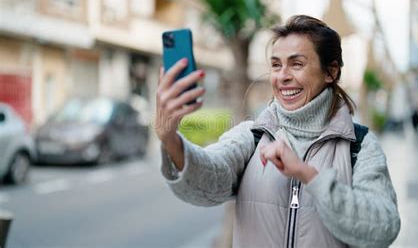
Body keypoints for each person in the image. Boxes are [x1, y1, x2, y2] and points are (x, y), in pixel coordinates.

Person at [155, 15, 400, 247]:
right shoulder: (253, 136)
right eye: (276, 65)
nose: (282, 76)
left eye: (296, 64)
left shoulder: (360, 146)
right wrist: (170, 139)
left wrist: (308, 176)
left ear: (330, 72)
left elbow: (383, 228)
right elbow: (208, 180)